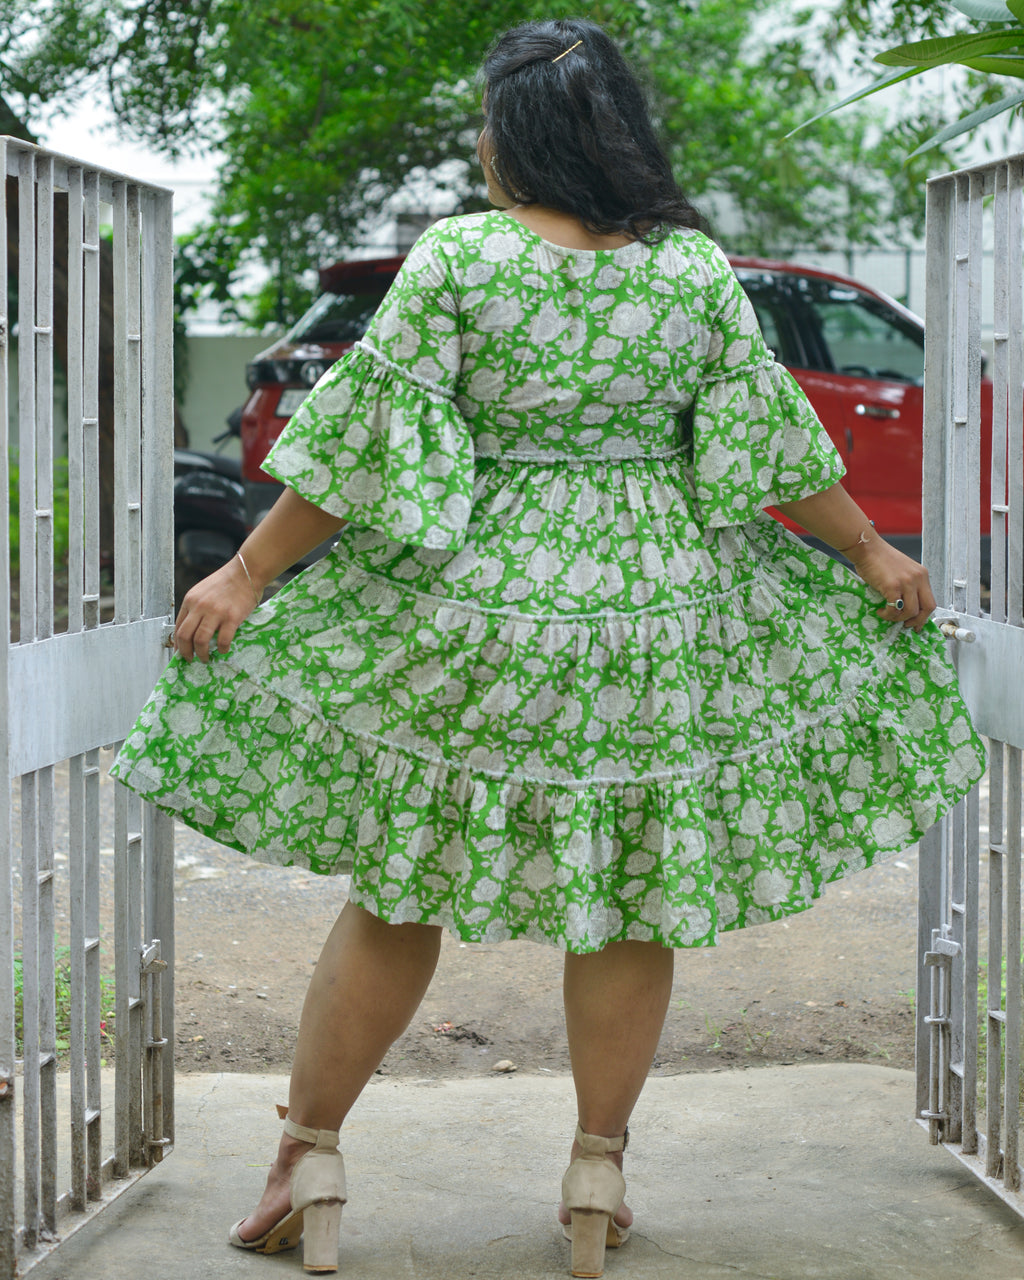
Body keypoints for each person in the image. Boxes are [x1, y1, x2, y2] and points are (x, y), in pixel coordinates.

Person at [111, 17, 986, 1279]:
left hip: (478, 606)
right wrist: (870, 557)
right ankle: (595, 1175)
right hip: (659, 607)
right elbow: (772, 448)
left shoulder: (460, 260)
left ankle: (308, 1155)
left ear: (508, 135)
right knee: (632, 892)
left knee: (403, 878)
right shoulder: (689, 273)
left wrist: (248, 570)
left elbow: (365, 451)